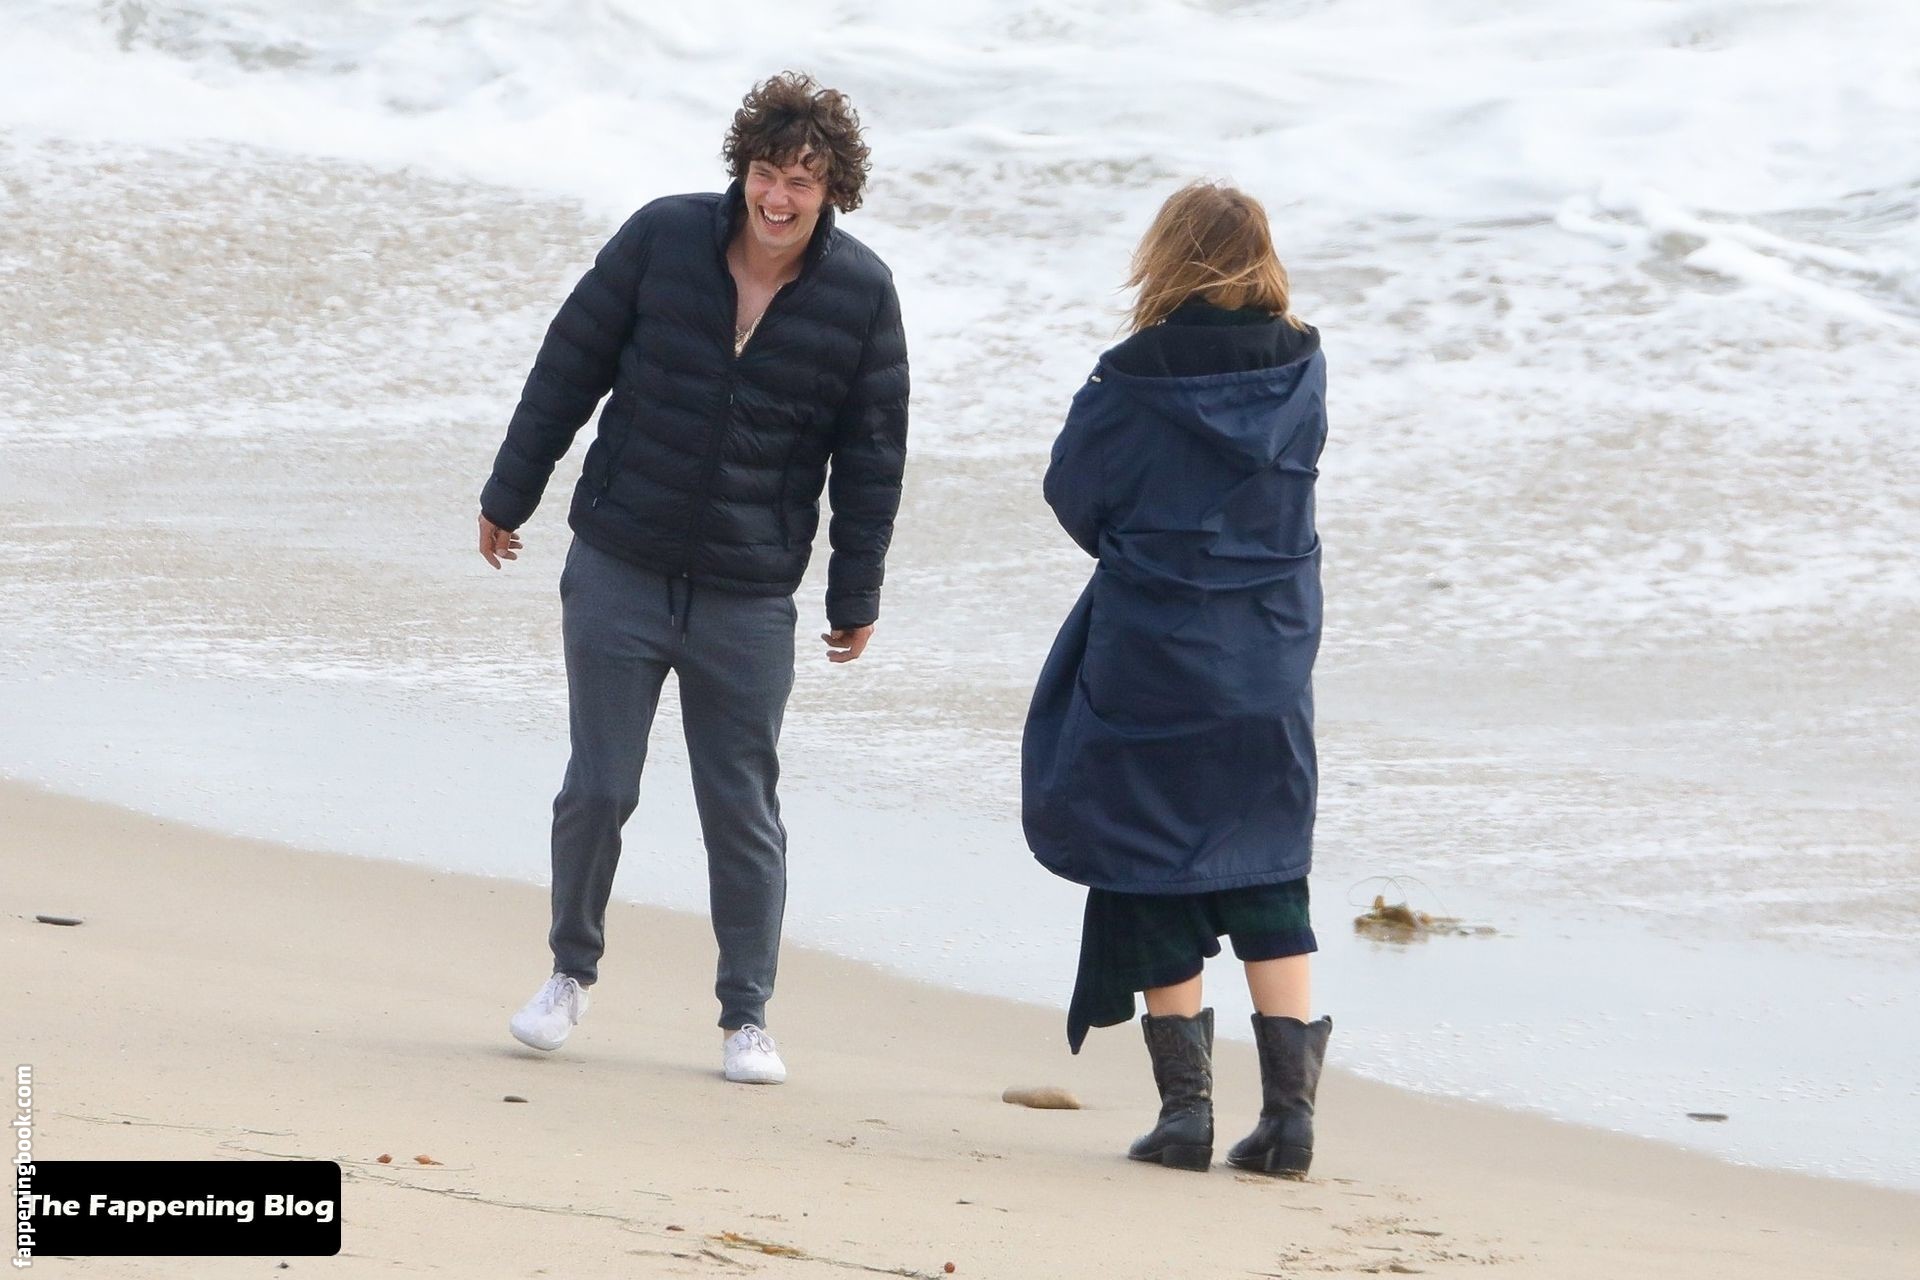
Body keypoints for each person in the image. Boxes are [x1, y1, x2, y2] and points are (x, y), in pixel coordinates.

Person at [477, 72, 909, 1085]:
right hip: (620, 562)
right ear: (742, 170)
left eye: (801, 181)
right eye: (766, 172)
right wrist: (510, 491)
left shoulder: (861, 294)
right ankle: (567, 974)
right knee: (600, 786)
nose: (777, 198)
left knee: (741, 807)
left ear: (832, 190)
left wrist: (856, 594)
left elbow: (873, 456)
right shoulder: (663, 239)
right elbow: (568, 366)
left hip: (748, 594)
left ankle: (746, 1018)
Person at [1022, 181, 1332, 1173]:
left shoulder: (1131, 378)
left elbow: (1074, 491)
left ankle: (1187, 1115)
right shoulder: (1304, 368)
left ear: (1167, 256)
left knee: (1154, 860)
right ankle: (1290, 1120)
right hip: (1271, 653)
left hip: (1155, 652)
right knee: (1270, 865)